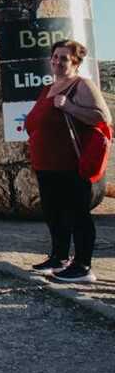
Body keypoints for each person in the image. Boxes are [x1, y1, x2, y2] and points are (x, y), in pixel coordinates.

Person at [24, 39, 111, 283]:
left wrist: (70, 106)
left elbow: (102, 118)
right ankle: (59, 258)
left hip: (70, 164)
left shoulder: (81, 85)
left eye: (64, 58)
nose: (57, 62)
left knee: (77, 215)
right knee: (53, 214)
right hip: (46, 164)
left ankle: (83, 266)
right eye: (55, 57)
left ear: (76, 62)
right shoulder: (49, 87)